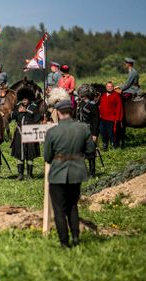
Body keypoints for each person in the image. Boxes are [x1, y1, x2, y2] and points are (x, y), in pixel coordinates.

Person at [44, 99, 95, 248]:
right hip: (76, 171)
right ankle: (76, 238)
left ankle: (64, 242)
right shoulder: (84, 128)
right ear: (72, 112)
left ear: (58, 113)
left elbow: (47, 157)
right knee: (72, 206)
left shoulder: (53, 131)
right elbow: (91, 151)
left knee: (59, 210)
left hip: (58, 173)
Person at [10, 97, 42, 180]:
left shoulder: (34, 107)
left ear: (29, 99)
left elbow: (37, 118)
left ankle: (29, 174)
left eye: (26, 99)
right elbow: (12, 116)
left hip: (30, 132)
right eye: (23, 99)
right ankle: (20, 174)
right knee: (19, 153)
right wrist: (18, 111)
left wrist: (26, 111)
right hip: (19, 133)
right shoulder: (18, 106)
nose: (24, 101)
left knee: (30, 153)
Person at [76, 85, 100, 177]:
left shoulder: (93, 106)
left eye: (81, 94)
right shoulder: (80, 104)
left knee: (90, 153)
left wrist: (95, 134)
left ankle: (92, 173)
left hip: (89, 131)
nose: (80, 95)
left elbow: (96, 121)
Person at [98, 81, 123, 150]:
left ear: (113, 87)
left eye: (111, 86)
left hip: (111, 118)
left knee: (111, 134)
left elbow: (119, 108)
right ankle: (105, 146)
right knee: (103, 133)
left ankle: (113, 146)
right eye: (108, 86)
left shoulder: (116, 96)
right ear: (106, 87)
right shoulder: (103, 95)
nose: (109, 88)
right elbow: (101, 106)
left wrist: (118, 119)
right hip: (102, 118)